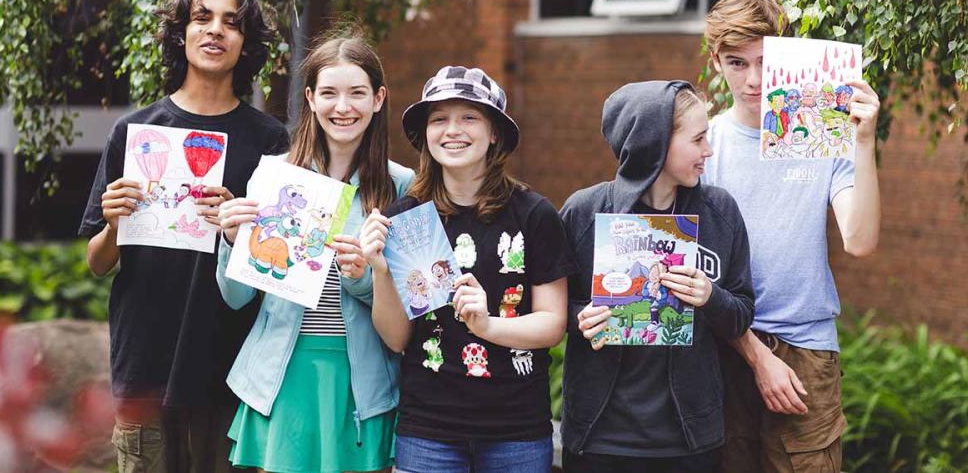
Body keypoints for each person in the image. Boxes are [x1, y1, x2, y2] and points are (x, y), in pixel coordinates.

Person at [78, 0, 290, 472]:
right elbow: (97, 263)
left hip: (232, 369)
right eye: (202, 17)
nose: (216, 30)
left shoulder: (271, 140)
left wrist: (239, 228)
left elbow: (283, 265)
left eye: (231, 23)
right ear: (181, 33)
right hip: (144, 366)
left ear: (245, 44)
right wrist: (113, 223)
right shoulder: (134, 131)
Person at [703, 0, 881, 472]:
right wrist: (756, 355)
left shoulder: (823, 134)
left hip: (806, 347)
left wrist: (862, 143)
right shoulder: (705, 145)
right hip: (725, 342)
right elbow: (692, 273)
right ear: (716, 62)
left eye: (764, 62)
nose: (754, 80)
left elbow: (861, 241)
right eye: (737, 63)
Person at [215, 34, 413, 473]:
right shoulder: (273, 175)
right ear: (310, 98)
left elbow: (406, 312)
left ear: (378, 99)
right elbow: (237, 298)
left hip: (360, 378)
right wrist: (231, 242)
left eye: (357, 93)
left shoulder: (402, 186)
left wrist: (363, 276)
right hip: (281, 373)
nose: (343, 107)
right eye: (329, 93)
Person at [362, 66, 575, 472]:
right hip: (428, 431)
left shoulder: (534, 215)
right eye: (439, 119)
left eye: (469, 118)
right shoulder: (408, 219)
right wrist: (380, 270)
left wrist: (488, 326)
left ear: (494, 131)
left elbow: (552, 324)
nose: (452, 130)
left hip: (516, 430)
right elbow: (395, 339)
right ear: (426, 133)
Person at [559, 81, 755, 473]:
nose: (709, 151)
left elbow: (742, 313)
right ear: (655, 143)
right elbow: (549, 307)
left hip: (688, 440)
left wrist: (709, 295)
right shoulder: (584, 212)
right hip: (600, 435)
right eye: (698, 139)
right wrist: (581, 317)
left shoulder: (719, 212)